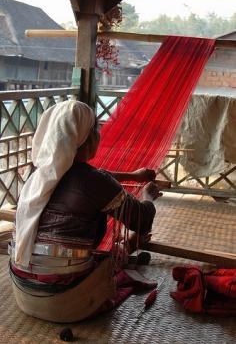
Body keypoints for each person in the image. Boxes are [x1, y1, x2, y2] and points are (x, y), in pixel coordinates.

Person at [9, 101, 162, 322]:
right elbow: (142, 220)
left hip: (25, 292)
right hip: (68, 299)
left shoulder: (39, 174)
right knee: (118, 250)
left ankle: (123, 246)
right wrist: (148, 196)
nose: (100, 134)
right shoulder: (92, 181)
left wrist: (133, 176)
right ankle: (125, 246)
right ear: (86, 138)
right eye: (96, 129)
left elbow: (90, 178)